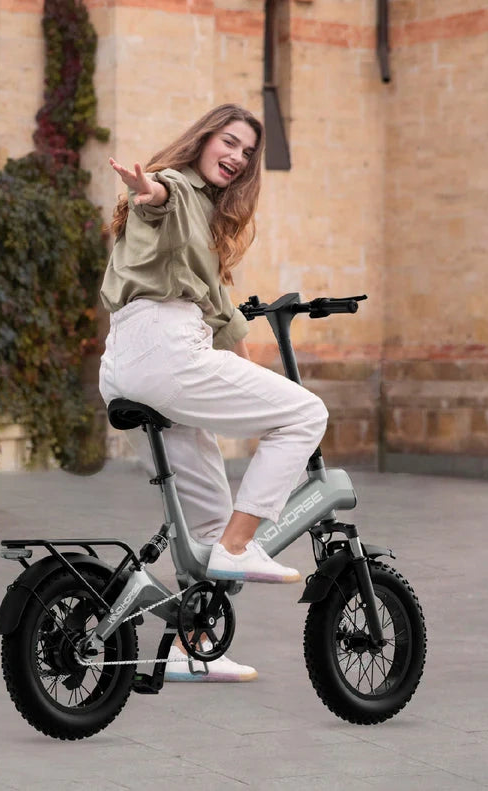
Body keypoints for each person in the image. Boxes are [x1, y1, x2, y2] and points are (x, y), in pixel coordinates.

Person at [98, 103, 328, 682]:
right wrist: (147, 189)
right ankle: (240, 547)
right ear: (202, 141)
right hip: (167, 352)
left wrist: (253, 373)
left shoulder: (203, 226)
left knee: (208, 523)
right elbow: (161, 201)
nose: (237, 157)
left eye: (248, 152)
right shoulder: (179, 190)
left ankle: (191, 646)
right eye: (229, 142)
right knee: (306, 413)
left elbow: (224, 318)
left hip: (127, 360)